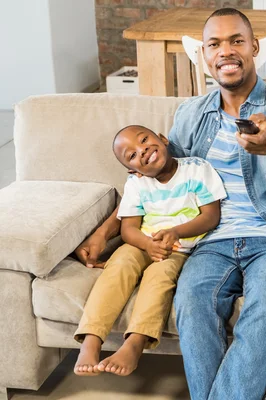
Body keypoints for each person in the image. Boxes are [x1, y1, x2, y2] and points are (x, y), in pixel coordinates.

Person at [74, 8, 266, 400]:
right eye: (215, 44)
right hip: (209, 239)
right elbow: (160, 177)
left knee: (264, 307)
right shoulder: (191, 114)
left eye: (236, 41)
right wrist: (105, 231)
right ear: (204, 56)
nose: (226, 51)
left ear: (254, 47)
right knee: (191, 303)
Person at [74, 125, 225, 377]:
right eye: (132, 155)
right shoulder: (137, 183)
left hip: (177, 247)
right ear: (133, 169)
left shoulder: (197, 169)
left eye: (144, 140)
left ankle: (135, 342)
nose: (142, 151)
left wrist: (176, 232)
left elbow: (211, 217)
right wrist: (147, 244)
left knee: (159, 276)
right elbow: (128, 229)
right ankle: (91, 339)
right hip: (141, 243)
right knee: (118, 266)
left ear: (163, 140)